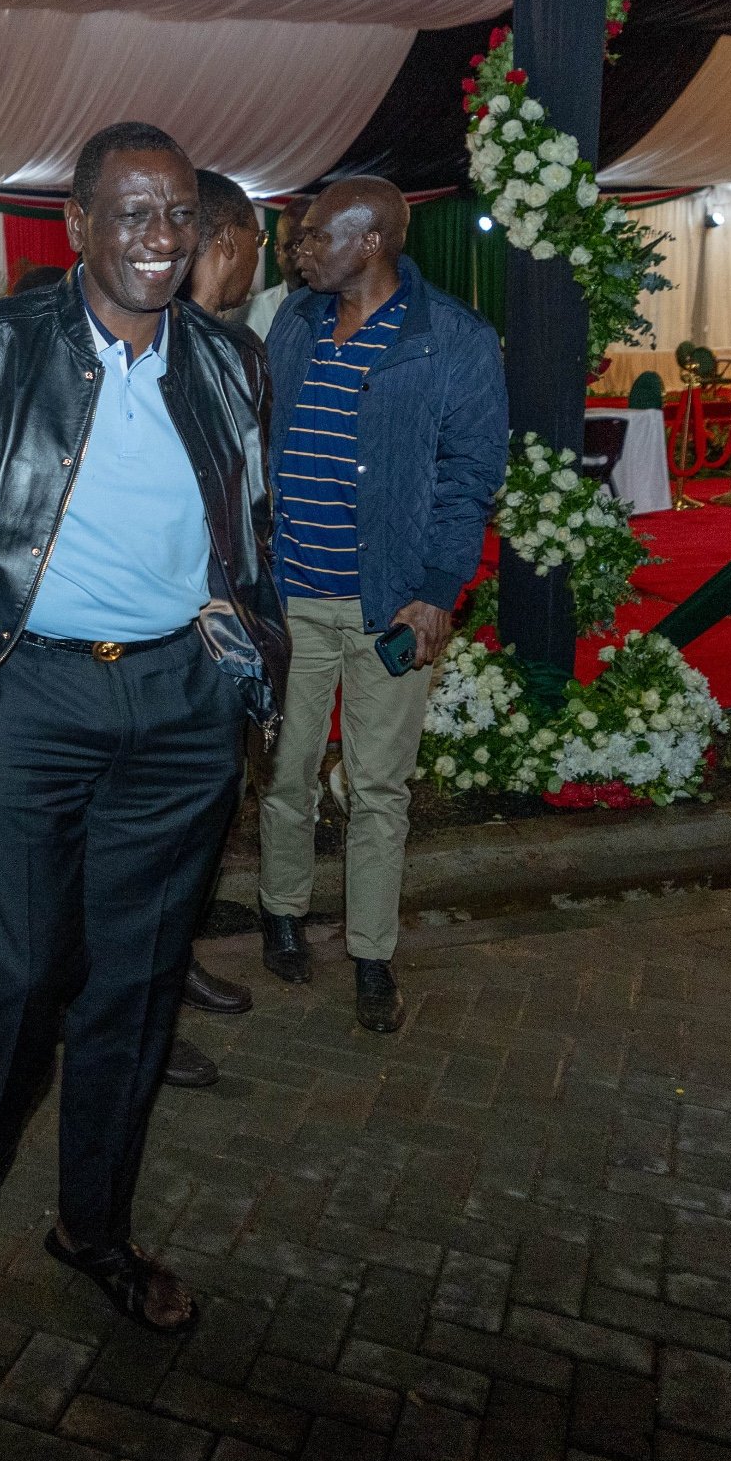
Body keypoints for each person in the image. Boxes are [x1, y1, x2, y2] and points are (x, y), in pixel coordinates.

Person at [0, 121, 285, 1335]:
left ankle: (91, 1226)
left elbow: (245, 538)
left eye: (180, 220)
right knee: (21, 968)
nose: (161, 240)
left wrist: (241, 661)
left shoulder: (227, 361)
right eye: (134, 215)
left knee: (139, 982)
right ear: (80, 228)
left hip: (179, 706)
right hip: (25, 698)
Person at [257, 178, 507, 1033]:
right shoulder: (294, 322)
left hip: (390, 604)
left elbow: (471, 479)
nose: (299, 247)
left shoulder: (454, 341)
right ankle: (282, 912)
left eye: (317, 235)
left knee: (378, 789)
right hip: (291, 596)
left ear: (370, 243)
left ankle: (371, 955)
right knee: (286, 772)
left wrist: (440, 592)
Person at [187, 171, 263, 324]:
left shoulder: (154, 328)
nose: (257, 253)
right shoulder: (230, 344)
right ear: (229, 240)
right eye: (257, 240)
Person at [240, 204, 306, 342]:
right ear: (278, 251)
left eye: (316, 242)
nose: (307, 255)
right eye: (296, 246)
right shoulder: (250, 315)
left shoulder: (346, 312)